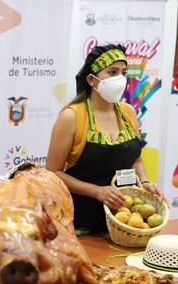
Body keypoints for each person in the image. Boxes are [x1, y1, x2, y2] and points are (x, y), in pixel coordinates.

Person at [46, 44, 162, 234]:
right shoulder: (72, 117)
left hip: (123, 221)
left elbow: (136, 158)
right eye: (112, 72)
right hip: (81, 223)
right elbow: (53, 173)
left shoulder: (128, 113)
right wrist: (97, 191)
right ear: (92, 80)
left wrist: (145, 181)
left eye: (124, 72)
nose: (121, 79)